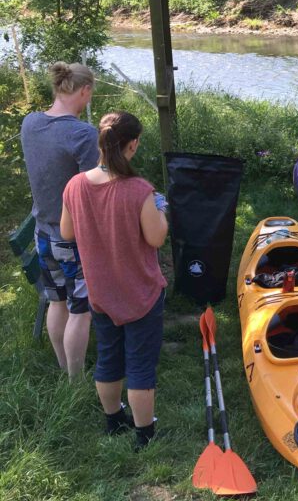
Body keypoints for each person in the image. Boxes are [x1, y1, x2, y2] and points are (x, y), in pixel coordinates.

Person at [60, 111, 168, 448]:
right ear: (132, 145)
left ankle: (112, 421)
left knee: (109, 356)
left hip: (101, 293)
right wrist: (161, 210)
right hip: (141, 293)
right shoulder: (140, 190)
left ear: (101, 143)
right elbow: (156, 238)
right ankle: (144, 433)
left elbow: (66, 232)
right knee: (140, 362)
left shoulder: (75, 185)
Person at [20, 62, 98, 377]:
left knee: (57, 302)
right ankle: (75, 382)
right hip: (74, 237)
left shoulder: (30, 123)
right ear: (85, 90)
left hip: (43, 233)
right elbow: (90, 193)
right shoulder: (83, 133)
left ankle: (64, 367)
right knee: (80, 310)